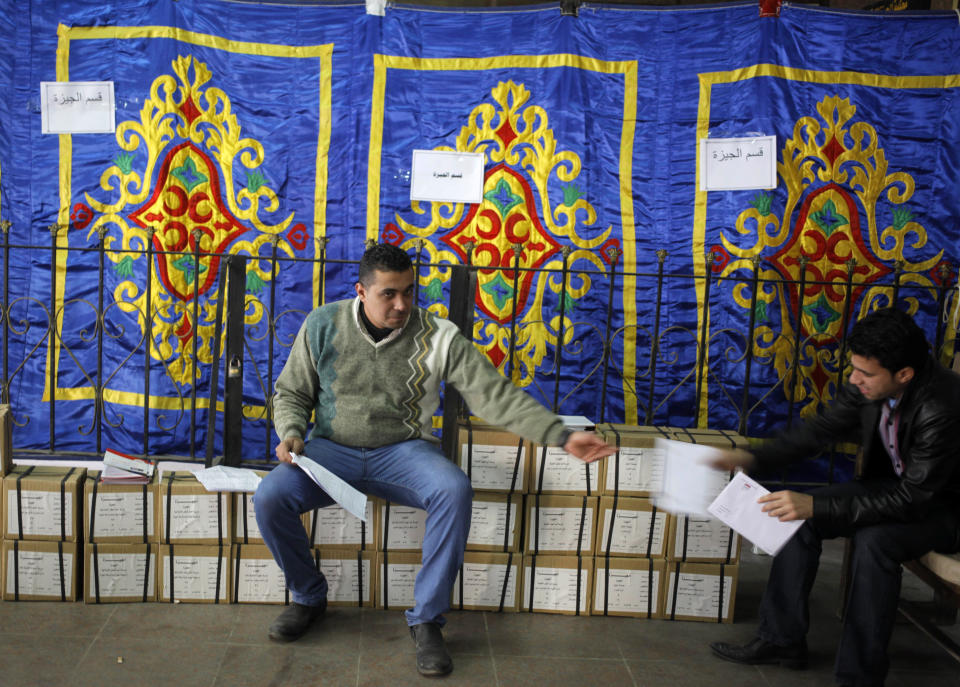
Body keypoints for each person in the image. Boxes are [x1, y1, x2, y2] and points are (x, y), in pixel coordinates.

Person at [254, 242, 614, 677]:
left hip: (404, 451)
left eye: (409, 291)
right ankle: (308, 595)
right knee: (271, 496)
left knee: (453, 488)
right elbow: (291, 393)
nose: (402, 304)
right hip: (333, 452)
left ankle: (426, 620)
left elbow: (493, 396)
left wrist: (560, 435)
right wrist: (291, 432)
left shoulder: (439, 336)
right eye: (389, 294)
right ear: (361, 291)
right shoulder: (322, 325)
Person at [708, 307, 960, 687]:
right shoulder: (872, 383)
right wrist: (752, 457)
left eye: (865, 373)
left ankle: (859, 677)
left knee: (875, 542)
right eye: (854, 368)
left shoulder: (942, 406)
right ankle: (781, 640)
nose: (854, 379)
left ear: (904, 374)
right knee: (793, 517)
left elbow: (914, 500)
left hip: (942, 509)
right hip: (893, 490)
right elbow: (818, 431)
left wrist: (818, 504)